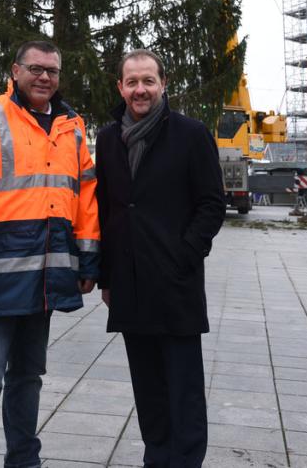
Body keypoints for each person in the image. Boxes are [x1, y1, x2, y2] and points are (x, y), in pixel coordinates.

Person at [0, 40, 100, 468]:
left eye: (52, 70)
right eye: (35, 69)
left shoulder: (72, 126)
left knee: (28, 377)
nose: (44, 77)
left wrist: (88, 259)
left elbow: (85, 195)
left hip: (46, 278)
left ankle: (24, 461)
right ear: (15, 71)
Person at [95, 49, 226, 468]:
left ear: (163, 84)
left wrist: (184, 256)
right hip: (130, 283)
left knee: (182, 387)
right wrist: (107, 277)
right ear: (120, 87)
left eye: (148, 81)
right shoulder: (107, 138)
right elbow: (106, 209)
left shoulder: (190, 134)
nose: (140, 90)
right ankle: (157, 457)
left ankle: (185, 461)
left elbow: (211, 204)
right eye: (131, 82)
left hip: (175, 284)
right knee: (147, 388)